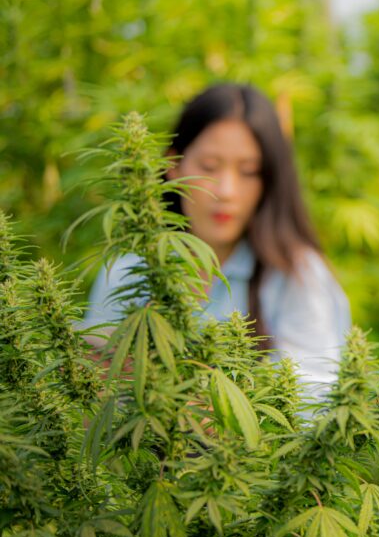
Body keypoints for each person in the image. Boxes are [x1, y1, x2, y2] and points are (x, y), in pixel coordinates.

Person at [85, 83, 350, 394]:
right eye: (209, 167)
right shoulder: (123, 274)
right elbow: (97, 414)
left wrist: (191, 406)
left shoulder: (297, 277)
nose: (226, 191)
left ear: (269, 179)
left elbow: (312, 408)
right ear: (173, 165)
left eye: (249, 171)